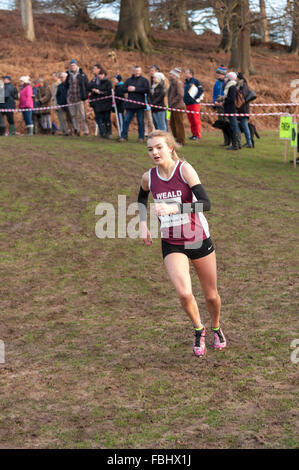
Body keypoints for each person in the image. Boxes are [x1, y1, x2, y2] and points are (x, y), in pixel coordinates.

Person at [137, 130, 226, 357]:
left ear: (170, 148)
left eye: (158, 147)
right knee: (184, 294)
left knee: (210, 295)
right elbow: (141, 197)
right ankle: (199, 328)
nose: (154, 152)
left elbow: (206, 203)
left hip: (197, 237)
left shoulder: (184, 170)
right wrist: (142, 223)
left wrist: (174, 208)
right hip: (171, 241)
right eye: (150, 149)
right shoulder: (149, 177)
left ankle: (216, 326)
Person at [118, 65, 149, 143]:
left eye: (138, 71)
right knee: (126, 120)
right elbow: (122, 89)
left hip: (140, 105)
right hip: (130, 105)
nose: (137, 72)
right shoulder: (128, 80)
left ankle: (141, 137)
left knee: (140, 122)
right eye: (135, 71)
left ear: (140, 71)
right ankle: (123, 136)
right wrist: (127, 89)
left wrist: (135, 89)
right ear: (133, 71)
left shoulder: (144, 80)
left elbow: (146, 90)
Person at [216, 72, 241, 151]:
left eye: (226, 77)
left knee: (234, 127)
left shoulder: (232, 87)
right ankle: (237, 144)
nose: (225, 79)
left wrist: (224, 100)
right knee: (234, 126)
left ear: (229, 79)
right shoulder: (230, 86)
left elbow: (232, 99)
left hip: (231, 110)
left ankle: (235, 145)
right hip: (230, 109)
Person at [65, 59, 89, 136]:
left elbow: (86, 85)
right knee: (73, 115)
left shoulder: (82, 74)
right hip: (71, 98)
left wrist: (85, 97)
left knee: (83, 115)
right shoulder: (68, 75)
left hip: (80, 98)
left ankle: (86, 131)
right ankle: (77, 130)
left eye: (74, 65)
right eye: (71, 65)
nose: (72, 67)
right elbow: (66, 86)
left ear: (76, 65)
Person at [88, 66, 112, 138]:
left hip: (107, 104)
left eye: (101, 75)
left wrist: (100, 92)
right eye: (99, 75)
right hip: (99, 104)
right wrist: (94, 92)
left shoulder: (108, 83)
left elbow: (109, 92)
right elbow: (92, 92)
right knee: (100, 120)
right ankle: (103, 133)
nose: (100, 76)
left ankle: (109, 133)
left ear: (104, 74)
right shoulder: (97, 83)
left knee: (107, 119)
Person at [183, 68, 204, 141]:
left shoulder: (195, 81)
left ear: (190, 74)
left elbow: (201, 90)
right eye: (185, 73)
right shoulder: (185, 82)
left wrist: (196, 97)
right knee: (191, 119)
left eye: (186, 73)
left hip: (194, 104)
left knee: (196, 119)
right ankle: (193, 134)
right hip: (187, 103)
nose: (185, 74)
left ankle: (198, 135)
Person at [168, 67, 185, 145]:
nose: (170, 75)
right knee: (172, 123)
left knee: (179, 124)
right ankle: (175, 138)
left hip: (178, 106)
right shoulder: (172, 83)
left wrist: (172, 102)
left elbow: (180, 94)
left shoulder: (178, 83)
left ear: (175, 75)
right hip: (173, 106)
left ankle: (181, 140)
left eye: (171, 74)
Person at [212, 65, 229, 146]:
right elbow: (214, 94)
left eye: (220, 74)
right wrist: (215, 101)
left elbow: (229, 95)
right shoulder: (217, 83)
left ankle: (231, 140)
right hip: (219, 107)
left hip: (226, 107)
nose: (218, 75)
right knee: (222, 125)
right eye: (217, 74)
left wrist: (223, 102)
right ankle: (226, 141)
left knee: (228, 124)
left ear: (224, 74)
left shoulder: (227, 82)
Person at [236, 72, 253, 148]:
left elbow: (242, 96)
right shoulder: (242, 85)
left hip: (244, 109)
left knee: (245, 126)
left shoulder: (243, 85)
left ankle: (249, 143)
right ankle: (248, 142)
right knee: (244, 126)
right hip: (242, 109)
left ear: (238, 78)